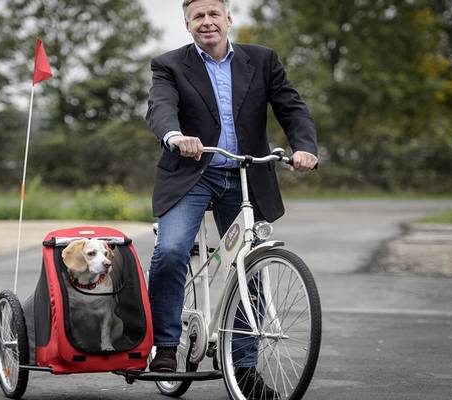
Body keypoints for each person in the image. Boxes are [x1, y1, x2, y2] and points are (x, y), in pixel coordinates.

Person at [145, 0, 318, 397]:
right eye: (197, 17)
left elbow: (291, 107)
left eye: (213, 14)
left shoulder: (262, 60)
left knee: (250, 267)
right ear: (187, 25)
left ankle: (243, 368)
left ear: (228, 19)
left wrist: (304, 147)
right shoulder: (169, 65)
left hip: (244, 174)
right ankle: (167, 346)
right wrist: (174, 137)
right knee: (171, 250)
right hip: (192, 175)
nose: (207, 22)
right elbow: (161, 107)